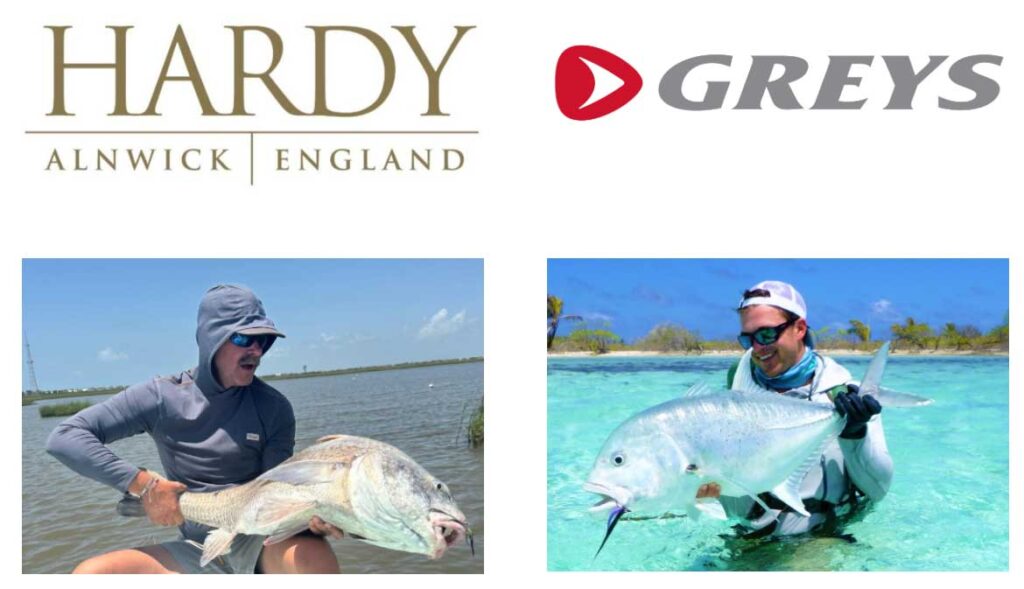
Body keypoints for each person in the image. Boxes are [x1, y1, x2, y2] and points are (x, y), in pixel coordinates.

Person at [46, 284, 343, 573]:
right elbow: (65, 438)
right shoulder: (161, 397)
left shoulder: (273, 407)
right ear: (212, 338)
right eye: (243, 339)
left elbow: (277, 493)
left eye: (263, 340)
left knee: (312, 559)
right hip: (194, 547)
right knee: (93, 574)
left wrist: (308, 521)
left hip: (257, 543)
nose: (256, 350)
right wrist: (143, 485)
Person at [697, 280, 893, 538]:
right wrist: (710, 489)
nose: (757, 348)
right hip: (748, 539)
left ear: (799, 328)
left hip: (819, 541)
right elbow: (736, 512)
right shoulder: (732, 403)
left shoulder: (847, 396)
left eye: (767, 334)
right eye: (748, 339)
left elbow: (878, 490)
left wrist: (855, 434)